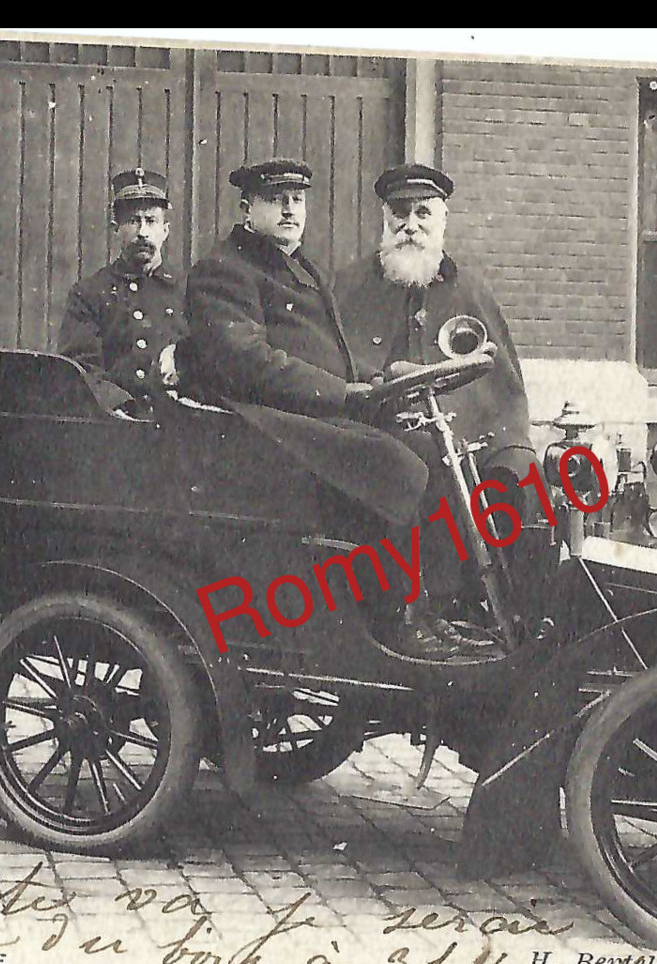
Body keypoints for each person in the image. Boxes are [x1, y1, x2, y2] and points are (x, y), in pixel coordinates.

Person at [181, 158, 485, 660]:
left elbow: (335, 355)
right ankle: (394, 622)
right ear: (246, 209)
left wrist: (379, 380)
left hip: (310, 415)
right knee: (395, 466)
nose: (288, 210)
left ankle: (430, 609)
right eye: (275, 200)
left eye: (296, 200)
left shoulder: (304, 268)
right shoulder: (223, 270)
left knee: (430, 451)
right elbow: (250, 364)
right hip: (261, 425)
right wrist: (344, 395)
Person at [336, 163, 538, 645]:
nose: (411, 225)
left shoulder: (470, 289)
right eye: (399, 213)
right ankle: (430, 612)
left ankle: (522, 615)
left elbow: (505, 386)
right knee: (424, 468)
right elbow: (339, 373)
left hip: (473, 437)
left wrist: (510, 444)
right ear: (385, 220)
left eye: (422, 213)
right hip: (387, 436)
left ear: (441, 219)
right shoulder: (350, 286)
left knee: (524, 475)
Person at [56, 167, 185, 411]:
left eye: (151, 221)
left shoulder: (189, 291)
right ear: (116, 228)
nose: (143, 232)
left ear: (165, 230)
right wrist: (117, 405)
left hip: (178, 423)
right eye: (133, 221)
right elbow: (81, 366)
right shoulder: (90, 293)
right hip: (115, 423)